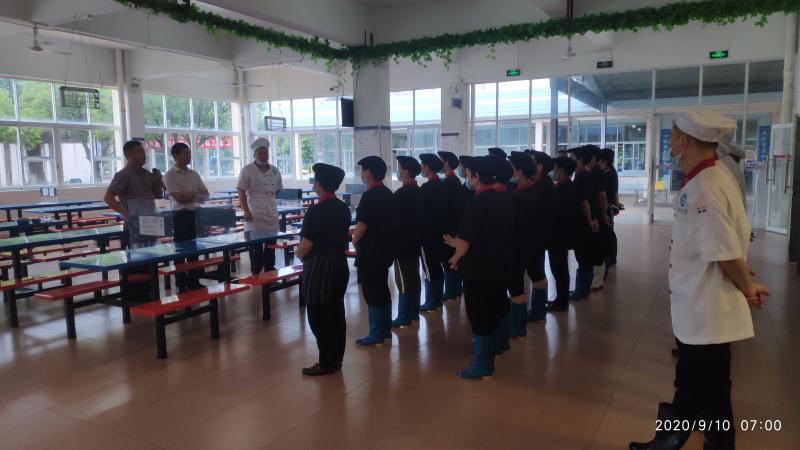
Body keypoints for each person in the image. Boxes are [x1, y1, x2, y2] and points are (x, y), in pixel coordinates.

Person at [630, 109, 769, 450]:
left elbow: (722, 250)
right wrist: (742, 272)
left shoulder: (704, 187)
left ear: (684, 141)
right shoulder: (713, 176)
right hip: (697, 303)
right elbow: (727, 236)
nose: (670, 141)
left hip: (705, 308)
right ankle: (670, 438)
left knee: (713, 393)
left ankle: (709, 444)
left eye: (674, 134)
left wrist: (746, 286)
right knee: (692, 380)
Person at [444, 156, 513, 379]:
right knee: (496, 307)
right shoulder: (503, 198)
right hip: (499, 265)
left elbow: (465, 242)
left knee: (479, 314)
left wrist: (455, 257)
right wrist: (457, 244)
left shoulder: (477, 202)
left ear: (476, 176)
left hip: (479, 270)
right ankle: (499, 345)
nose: (466, 177)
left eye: (467, 173)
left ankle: (482, 365)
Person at [297, 163, 351, 376]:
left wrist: (298, 254)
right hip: (339, 265)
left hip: (321, 268)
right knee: (336, 313)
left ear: (319, 184)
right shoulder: (342, 208)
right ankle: (336, 359)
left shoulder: (316, 211)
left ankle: (326, 362)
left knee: (319, 316)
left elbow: (306, 244)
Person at [104, 140, 165, 302]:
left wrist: (157, 180)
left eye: (143, 151)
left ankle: (149, 294)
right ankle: (135, 298)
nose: (143, 154)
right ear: (129, 155)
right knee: (135, 262)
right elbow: (108, 197)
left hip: (150, 224)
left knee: (150, 260)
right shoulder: (123, 175)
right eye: (139, 151)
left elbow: (158, 195)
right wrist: (125, 213)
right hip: (134, 227)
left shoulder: (147, 174)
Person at [352, 156, 395, 346]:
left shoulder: (369, 196)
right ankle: (385, 330)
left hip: (370, 251)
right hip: (385, 249)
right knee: (382, 288)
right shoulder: (387, 193)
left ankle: (376, 334)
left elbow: (362, 226)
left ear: (368, 172)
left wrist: (354, 240)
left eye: (363, 170)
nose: (362, 174)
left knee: (371, 291)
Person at [163, 142, 209, 293]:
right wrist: (194, 195)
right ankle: (181, 283)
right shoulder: (170, 175)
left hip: (196, 214)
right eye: (186, 153)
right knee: (181, 250)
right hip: (180, 216)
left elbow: (205, 195)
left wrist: (190, 195)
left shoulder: (194, 174)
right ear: (176, 156)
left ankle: (194, 281)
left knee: (195, 249)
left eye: (189, 153)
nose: (189, 155)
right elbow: (179, 199)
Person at [238, 138, 283, 275]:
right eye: (260, 153)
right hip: (254, 211)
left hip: (271, 211)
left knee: (271, 244)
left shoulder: (274, 170)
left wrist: (269, 199)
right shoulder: (247, 170)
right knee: (255, 245)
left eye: (265, 153)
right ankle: (256, 273)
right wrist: (246, 210)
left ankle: (270, 271)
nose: (263, 156)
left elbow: (278, 189)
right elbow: (241, 191)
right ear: (255, 154)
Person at [506, 151, 538, 337]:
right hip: (527, 244)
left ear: (519, 172)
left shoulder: (520, 196)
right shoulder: (530, 190)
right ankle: (518, 324)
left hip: (517, 246)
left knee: (515, 286)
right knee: (517, 284)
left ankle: (517, 327)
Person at [391, 156, 424, 327]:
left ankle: (403, 315)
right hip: (415, 242)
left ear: (405, 171)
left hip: (401, 243)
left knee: (403, 279)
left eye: (399, 168)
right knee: (414, 277)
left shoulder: (401, 194)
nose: (397, 171)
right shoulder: (418, 191)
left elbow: (394, 220)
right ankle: (414, 312)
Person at [488, 152, 515, 353]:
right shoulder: (510, 194)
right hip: (505, 256)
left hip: (492, 258)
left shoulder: (492, 199)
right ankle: (503, 340)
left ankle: (494, 344)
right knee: (501, 298)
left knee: (492, 301)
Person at [547, 156, 580, 312]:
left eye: (555, 168)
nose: (554, 171)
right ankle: (561, 299)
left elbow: (556, 212)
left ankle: (561, 301)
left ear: (561, 169)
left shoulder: (562, 188)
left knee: (558, 268)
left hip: (558, 235)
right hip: (562, 234)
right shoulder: (567, 185)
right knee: (560, 267)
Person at [567, 145, 600, 300]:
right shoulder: (584, 174)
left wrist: (589, 220)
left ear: (580, 160)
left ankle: (581, 290)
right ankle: (582, 288)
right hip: (584, 221)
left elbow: (584, 201)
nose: (571, 160)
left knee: (583, 256)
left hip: (582, 223)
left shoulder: (581, 176)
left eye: (573, 157)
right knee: (585, 257)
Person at [528, 151, 556, 322]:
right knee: (536, 270)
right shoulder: (541, 183)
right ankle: (538, 308)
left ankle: (538, 311)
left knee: (536, 272)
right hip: (538, 235)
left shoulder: (543, 186)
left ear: (539, 167)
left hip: (538, 235)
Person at [418, 153, 448, 312]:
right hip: (440, 234)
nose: (421, 168)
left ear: (427, 167)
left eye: (422, 165)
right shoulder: (442, 186)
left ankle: (431, 301)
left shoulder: (426, 188)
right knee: (438, 267)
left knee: (429, 268)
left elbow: (419, 212)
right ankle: (437, 299)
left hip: (427, 236)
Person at [438, 151, 465, 302]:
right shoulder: (454, 181)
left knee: (448, 260)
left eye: (440, 160)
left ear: (446, 163)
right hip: (454, 227)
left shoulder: (449, 183)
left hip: (449, 228)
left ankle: (451, 290)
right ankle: (455, 289)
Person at [586, 145, 611, 291]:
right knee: (598, 246)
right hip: (598, 213)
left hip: (598, 214)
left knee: (597, 247)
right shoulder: (595, 171)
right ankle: (597, 280)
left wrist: (603, 214)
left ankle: (596, 281)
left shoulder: (596, 172)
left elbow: (602, 195)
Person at [598, 148, 620, 275]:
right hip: (611, 206)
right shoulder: (612, 171)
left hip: (607, 207)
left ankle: (609, 259)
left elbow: (604, 194)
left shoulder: (607, 174)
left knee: (608, 234)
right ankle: (611, 258)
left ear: (605, 160)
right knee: (610, 233)